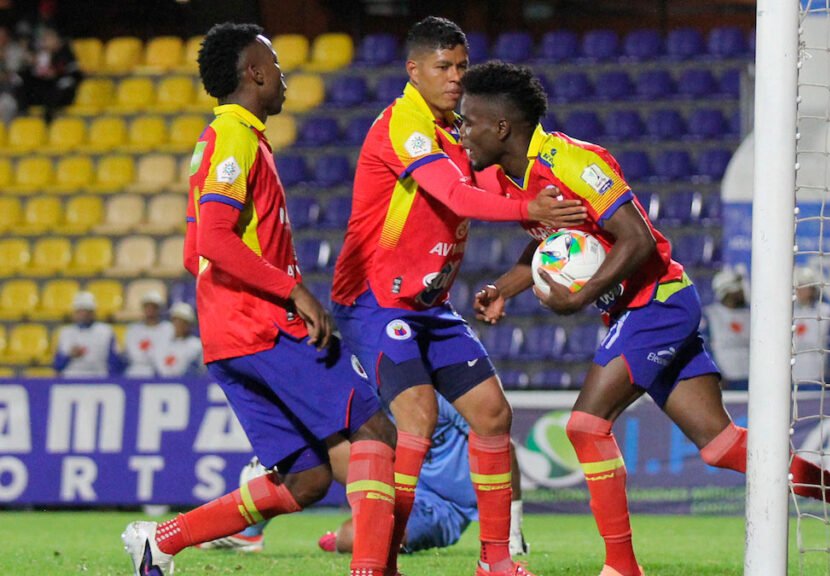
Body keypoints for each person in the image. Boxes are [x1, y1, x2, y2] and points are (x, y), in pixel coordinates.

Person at [462, 61, 830, 574]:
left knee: (584, 426)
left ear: (500, 127)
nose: (461, 132)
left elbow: (638, 238)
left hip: (659, 302)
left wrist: (579, 299)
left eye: (468, 121)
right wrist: (503, 288)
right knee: (721, 446)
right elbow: (550, 248)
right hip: (634, 311)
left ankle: (622, 566)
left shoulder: (573, 163)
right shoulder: (510, 181)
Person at [120, 23, 397, 576]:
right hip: (264, 326)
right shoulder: (235, 139)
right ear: (255, 72)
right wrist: (291, 289)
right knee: (375, 430)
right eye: (276, 63)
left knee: (307, 478)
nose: (283, 74)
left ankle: (162, 541)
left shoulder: (222, 139)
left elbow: (194, 251)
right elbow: (218, 240)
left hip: (228, 337)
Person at [329, 16, 585, 576]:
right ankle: (381, 557)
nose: (454, 77)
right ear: (413, 70)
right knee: (417, 419)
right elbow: (456, 195)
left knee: (492, 414)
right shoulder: (404, 125)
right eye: (443, 67)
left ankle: (495, 560)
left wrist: (544, 207)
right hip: (376, 301)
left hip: (428, 306)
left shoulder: (455, 130)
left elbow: (489, 184)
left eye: (462, 66)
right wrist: (529, 210)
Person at [200, 392, 531, 557]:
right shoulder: (367, 392)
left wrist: (511, 531)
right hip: (394, 479)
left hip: (441, 506)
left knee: (353, 540)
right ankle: (248, 533)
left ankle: (366, 531)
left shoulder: (437, 395)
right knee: (312, 441)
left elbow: (504, 447)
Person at [792, 266, 830, 387]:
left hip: (817, 375)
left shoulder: (826, 311)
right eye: (799, 287)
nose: (801, 291)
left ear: (812, 289)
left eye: (805, 287)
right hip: (793, 376)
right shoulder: (790, 312)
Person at [53, 291, 123, 377]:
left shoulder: (105, 331)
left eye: (87, 311)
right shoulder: (66, 332)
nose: (83, 315)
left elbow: (114, 361)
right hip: (72, 376)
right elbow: (57, 365)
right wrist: (69, 355)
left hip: (98, 376)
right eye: (79, 311)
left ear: (93, 312)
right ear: (74, 313)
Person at [17, 26, 79, 121]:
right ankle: (23, 114)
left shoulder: (66, 52)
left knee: (59, 87)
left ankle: (47, 119)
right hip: (46, 86)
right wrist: (32, 63)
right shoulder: (43, 54)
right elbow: (38, 71)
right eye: (44, 40)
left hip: (61, 90)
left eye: (48, 39)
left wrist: (55, 72)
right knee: (23, 80)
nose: (45, 42)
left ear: (56, 39)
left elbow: (73, 73)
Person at [702, 268, 750, 389]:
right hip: (726, 380)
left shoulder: (751, 314)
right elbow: (704, 349)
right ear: (727, 291)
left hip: (750, 378)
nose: (742, 291)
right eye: (738, 288)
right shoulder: (710, 315)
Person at [123, 291, 174, 378]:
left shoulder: (168, 328)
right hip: (137, 369)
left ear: (159, 309)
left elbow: (169, 349)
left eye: (154, 307)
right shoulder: (133, 330)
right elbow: (133, 354)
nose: (150, 310)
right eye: (147, 306)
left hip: (161, 369)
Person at [150, 302, 204, 378]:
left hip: (187, 384)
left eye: (183, 322)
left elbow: (200, 371)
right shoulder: (162, 343)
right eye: (176, 321)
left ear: (190, 324)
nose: (179, 325)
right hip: (161, 384)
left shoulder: (196, 345)